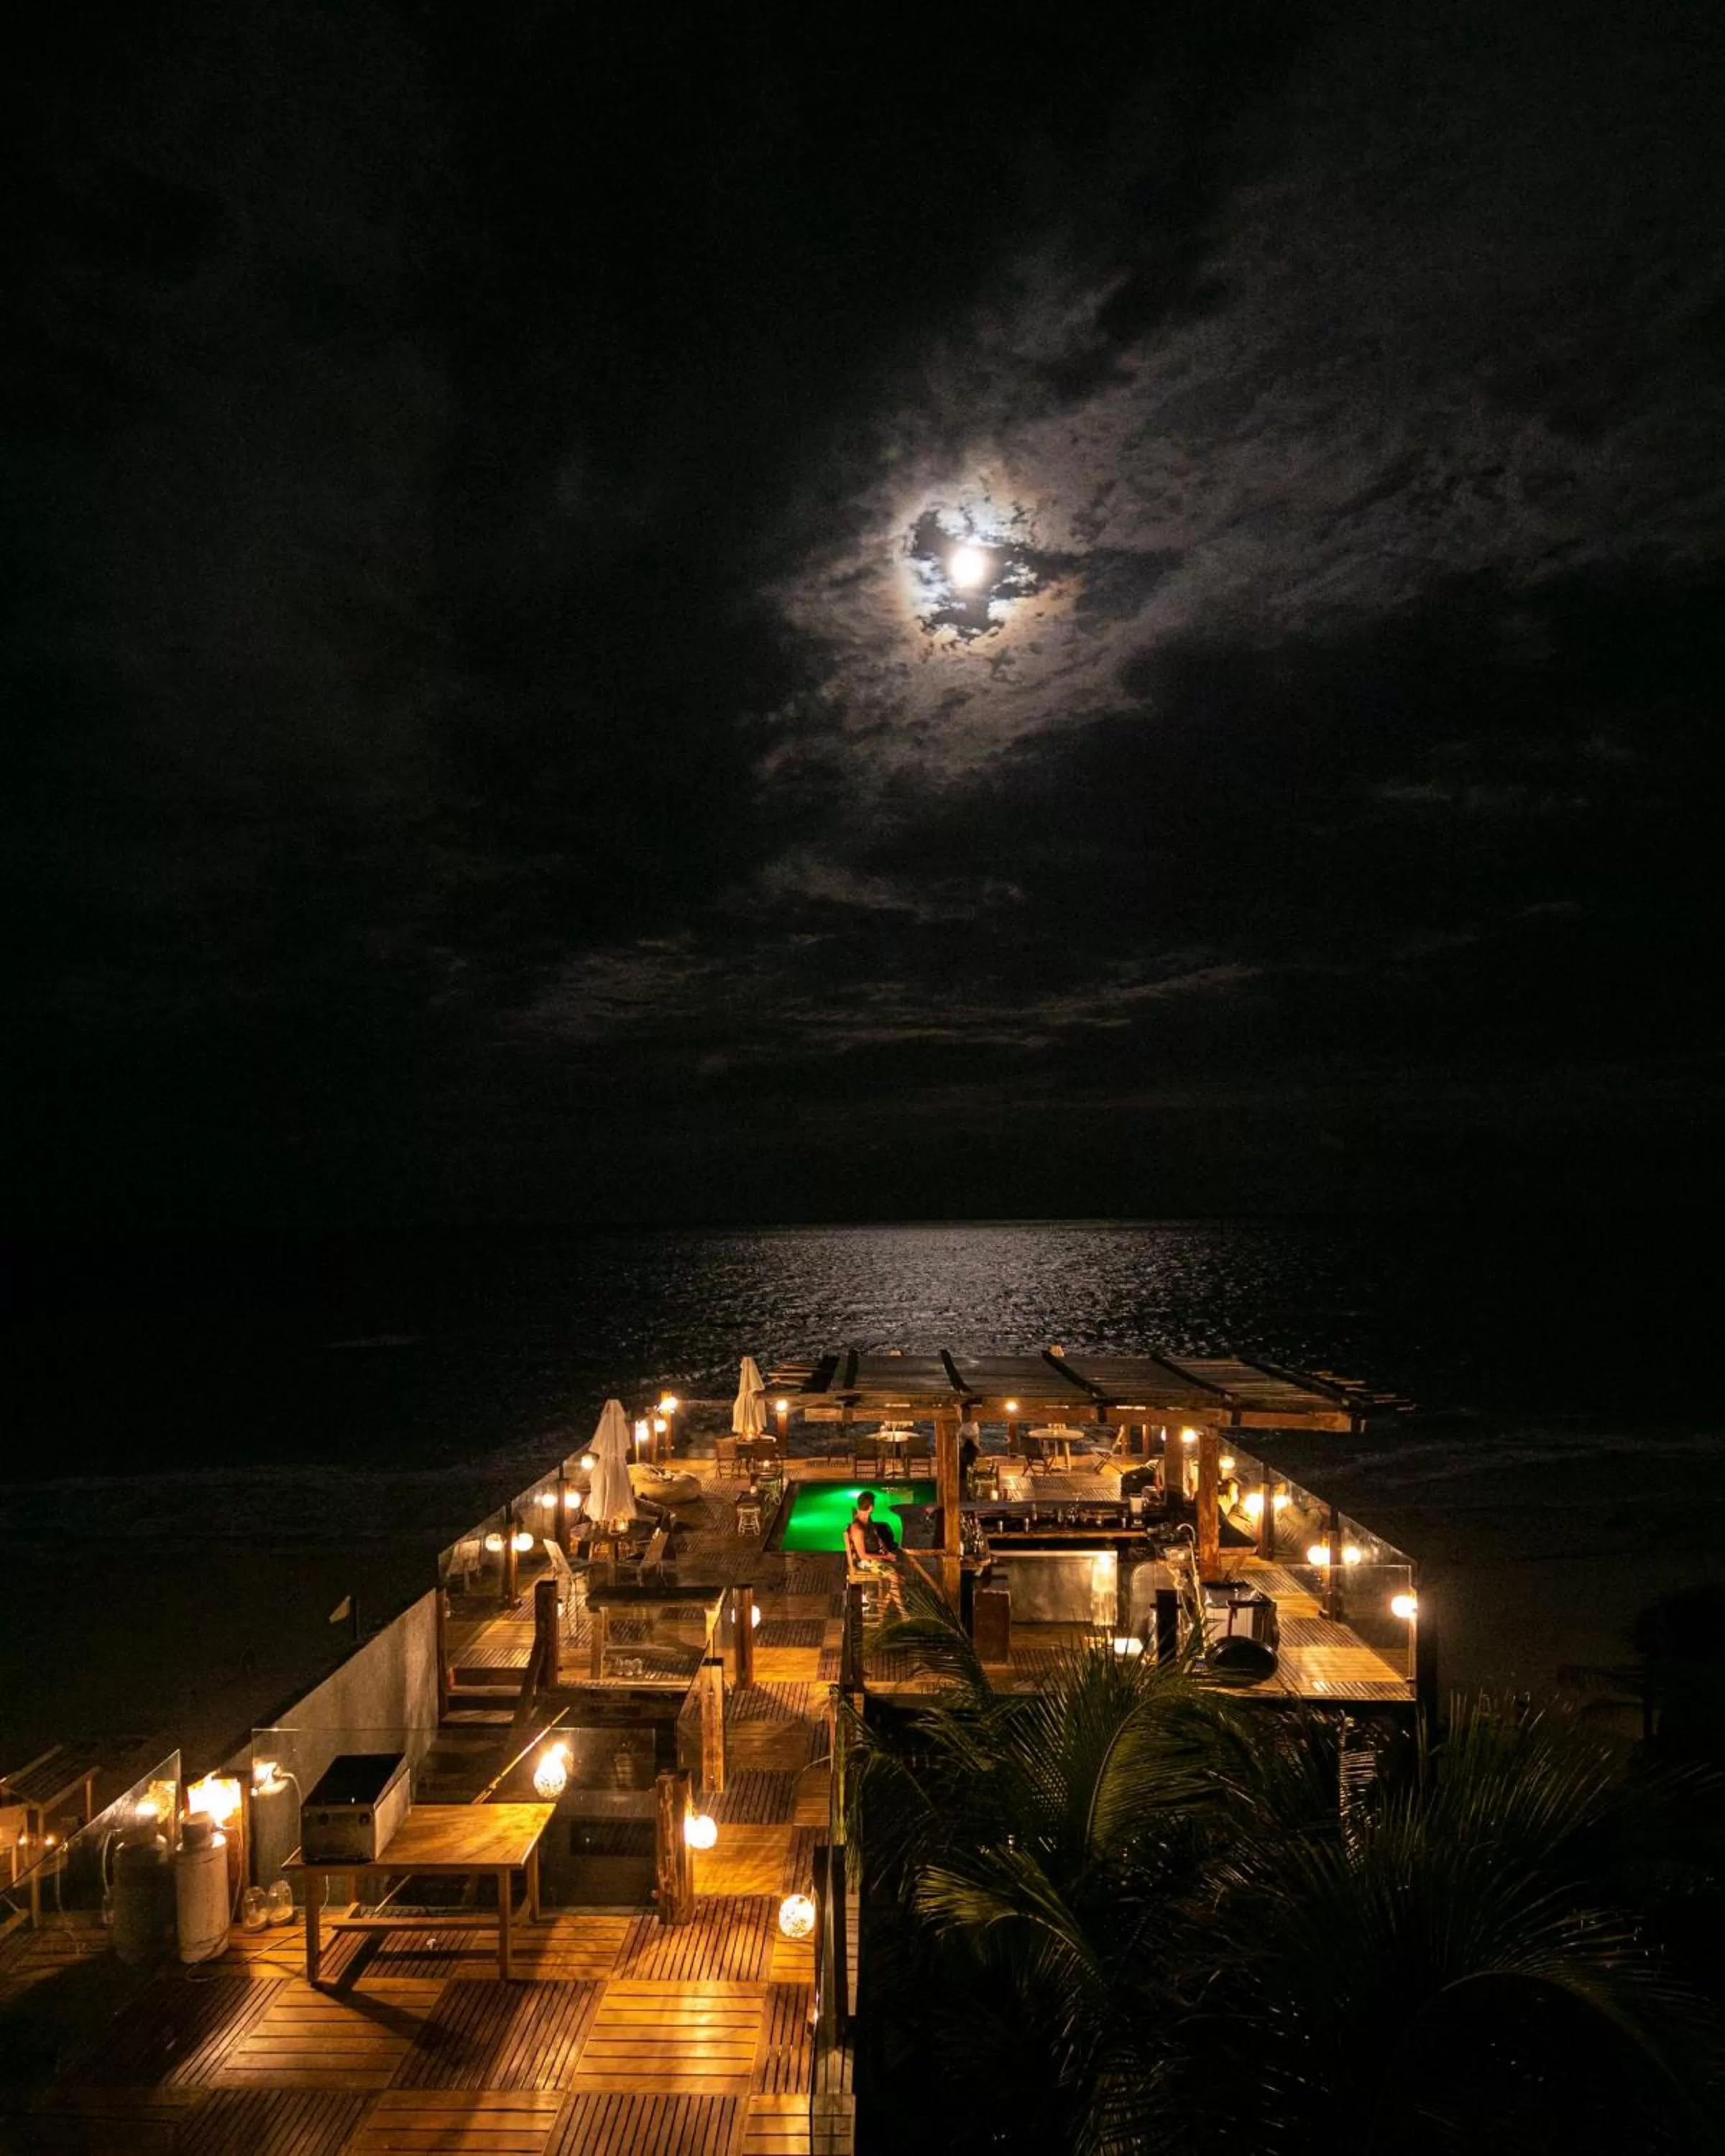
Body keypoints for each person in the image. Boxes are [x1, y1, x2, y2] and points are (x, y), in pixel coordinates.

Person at [845, 1491, 905, 1611]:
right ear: (871, 1507)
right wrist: (886, 1558)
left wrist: (885, 1550)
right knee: (895, 1578)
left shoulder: (867, 1519)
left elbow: (875, 1535)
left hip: (875, 1557)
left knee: (901, 1578)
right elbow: (863, 1556)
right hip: (866, 1563)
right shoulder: (858, 1528)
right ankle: (903, 1613)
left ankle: (882, 1605)